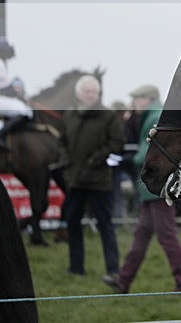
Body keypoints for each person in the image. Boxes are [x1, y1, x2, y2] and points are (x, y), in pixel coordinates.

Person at [102, 84, 181, 293]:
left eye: (137, 98)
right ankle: (123, 281)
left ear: (147, 98)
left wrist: (127, 160)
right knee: (141, 237)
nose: (134, 103)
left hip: (158, 188)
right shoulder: (155, 115)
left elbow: (147, 154)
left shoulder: (154, 117)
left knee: (167, 237)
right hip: (153, 189)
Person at [61, 75, 123, 277]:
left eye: (94, 92)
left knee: (105, 225)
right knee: (72, 222)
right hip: (75, 180)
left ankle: (113, 269)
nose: (90, 95)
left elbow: (116, 143)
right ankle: (75, 267)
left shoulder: (109, 116)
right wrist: (65, 162)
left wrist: (95, 159)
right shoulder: (69, 115)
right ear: (78, 93)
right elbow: (62, 141)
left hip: (99, 181)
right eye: (87, 91)